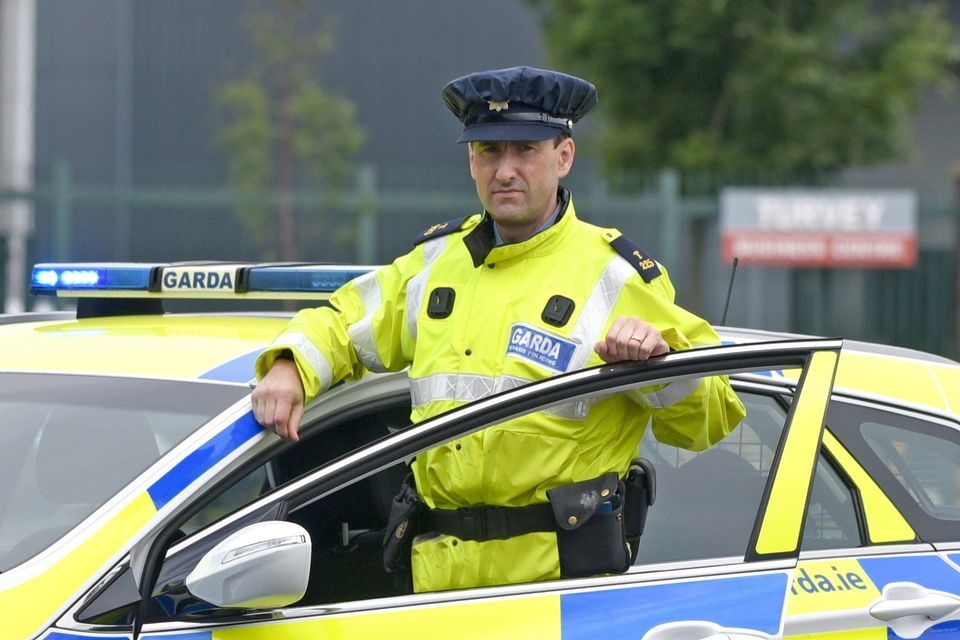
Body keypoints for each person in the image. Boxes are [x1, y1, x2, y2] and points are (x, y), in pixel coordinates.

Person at [253, 66, 746, 593]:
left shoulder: (616, 275)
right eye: (489, 151)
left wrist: (656, 366)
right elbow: (342, 321)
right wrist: (291, 366)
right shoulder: (434, 263)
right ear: (470, 160)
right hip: (435, 588)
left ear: (564, 156)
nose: (505, 170)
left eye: (525, 150)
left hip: (557, 589)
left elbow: (710, 419)